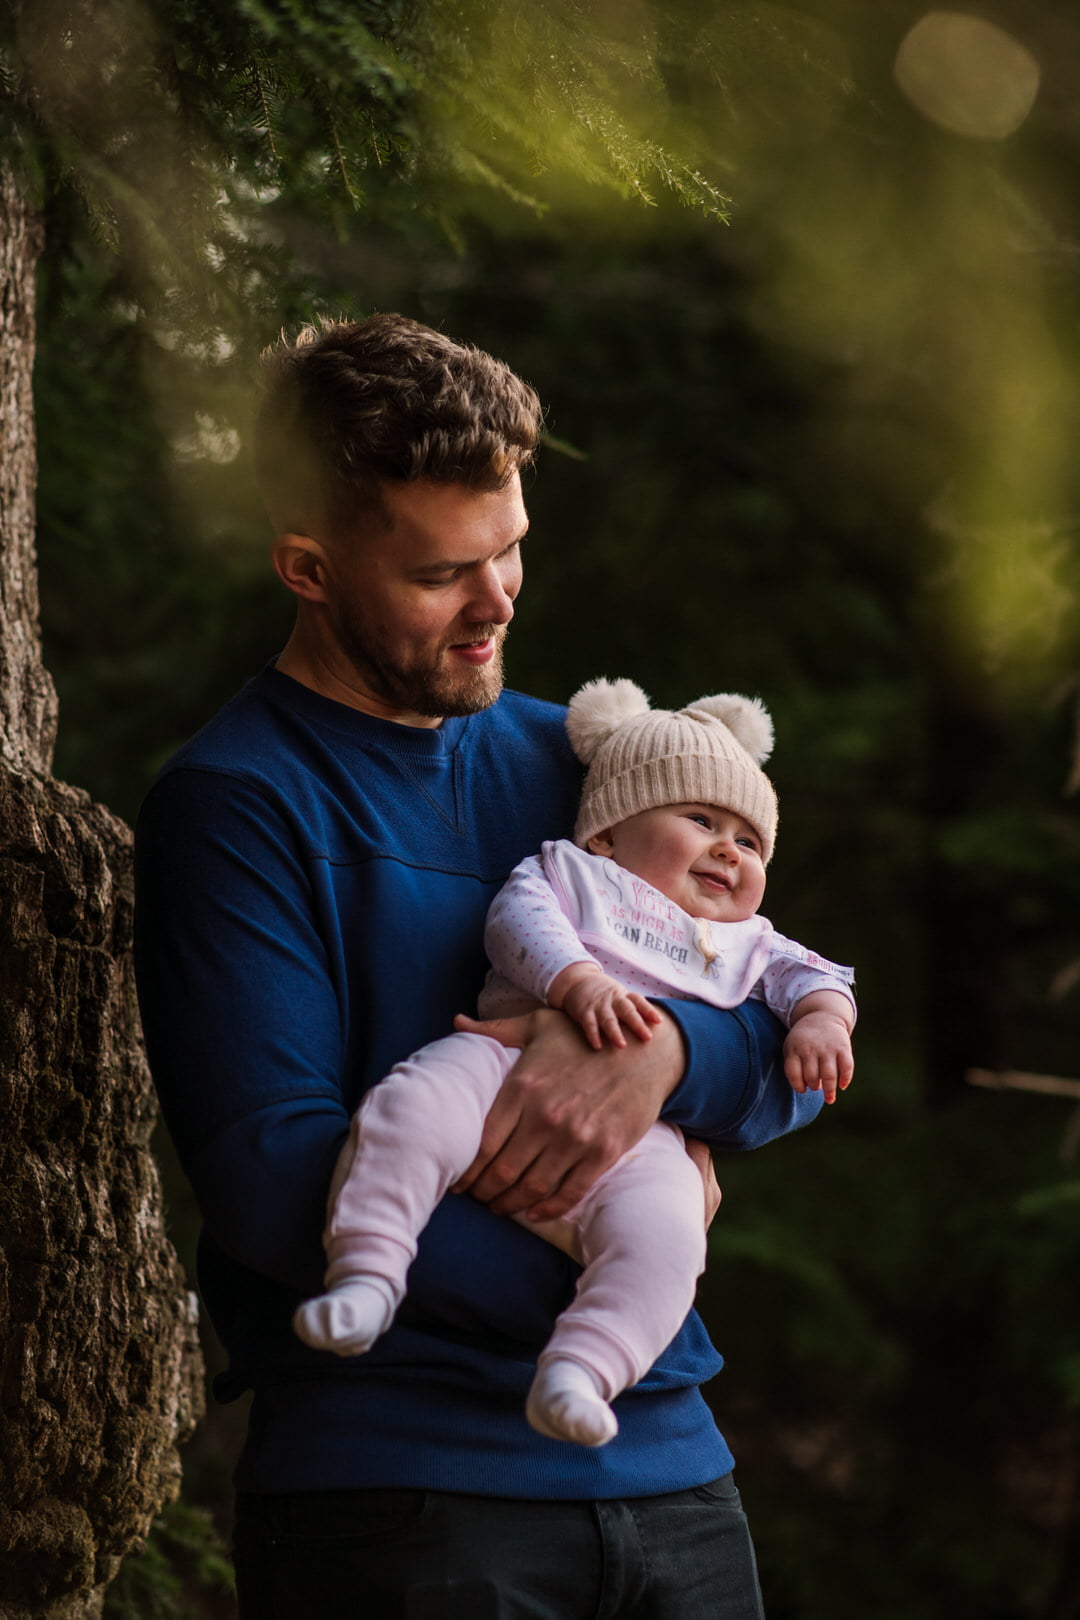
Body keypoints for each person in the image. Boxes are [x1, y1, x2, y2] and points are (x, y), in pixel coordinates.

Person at [133, 313, 828, 1620]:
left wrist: (670, 1063)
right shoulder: (239, 805)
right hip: (403, 1498)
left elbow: (785, 1025)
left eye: (512, 550)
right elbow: (279, 1189)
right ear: (308, 566)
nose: (499, 601)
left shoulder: (592, 765)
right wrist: (614, 1260)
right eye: (447, 572)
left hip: (675, 1473)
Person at [294, 679, 855, 1452]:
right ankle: (367, 1269)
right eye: (700, 819)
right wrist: (577, 981)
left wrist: (823, 1021)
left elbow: (818, 979)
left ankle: (584, 1369)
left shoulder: (751, 942)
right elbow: (517, 921)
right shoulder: (576, 873)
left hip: (648, 1132)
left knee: (670, 1236)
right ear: (609, 834)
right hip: (504, 1060)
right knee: (410, 1109)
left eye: (750, 841)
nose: (731, 849)